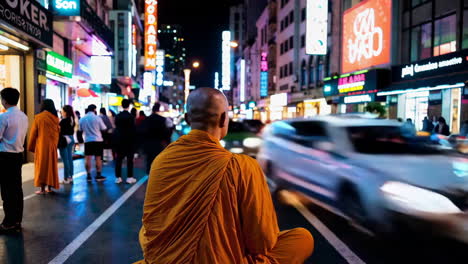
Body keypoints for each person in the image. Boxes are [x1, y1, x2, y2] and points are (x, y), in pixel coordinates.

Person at [136, 88, 314, 264]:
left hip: (165, 259)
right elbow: (262, 242)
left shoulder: (162, 161)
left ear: (187, 118)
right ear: (223, 119)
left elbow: (150, 231)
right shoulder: (243, 166)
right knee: (302, 238)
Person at [0, 88, 28, 233]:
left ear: (4, 100)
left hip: (5, 156)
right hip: (18, 156)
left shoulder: (4, 117)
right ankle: (17, 220)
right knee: (16, 189)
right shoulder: (24, 116)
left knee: (7, 190)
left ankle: (8, 223)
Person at [28, 99, 60, 194]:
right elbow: (57, 133)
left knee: (41, 166)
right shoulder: (55, 118)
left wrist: (31, 147)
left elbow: (33, 133)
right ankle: (49, 188)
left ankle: (42, 189)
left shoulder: (39, 117)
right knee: (51, 166)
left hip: (42, 146)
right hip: (52, 146)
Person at [79, 104, 107, 182]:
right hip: (98, 140)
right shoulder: (97, 118)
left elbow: (80, 130)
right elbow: (104, 128)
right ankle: (98, 175)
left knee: (88, 158)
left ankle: (88, 176)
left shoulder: (82, 119)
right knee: (98, 158)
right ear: (94, 109)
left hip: (88, 140)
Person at [140, 103, 171, 173]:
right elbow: (166, 133)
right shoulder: (162, 120)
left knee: (149, 162)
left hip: (148, 144)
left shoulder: (147, 119)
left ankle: (149, 177)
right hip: (158, 144)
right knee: (157, 163)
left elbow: (142, 132)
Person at [113, 99, 137, 184]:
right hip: (129, 140)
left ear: (121, 105)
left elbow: (115, 127)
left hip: (119, 140)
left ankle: (118, 177)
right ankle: (129, 177)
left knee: (118, 159)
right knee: (129, 159)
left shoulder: (118, 116)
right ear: (129, 105)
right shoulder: (131, 117)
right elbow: (134, 130)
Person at [59, 105, 76, 184]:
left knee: (65, 159)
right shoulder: (72, 119)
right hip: (71, 139)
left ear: (65, 112)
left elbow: (59, 131)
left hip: (64, 140)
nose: (61, 112)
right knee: (69, 158)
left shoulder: (63, 121)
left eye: (62, 111)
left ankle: (66, 178)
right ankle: (70, 176)